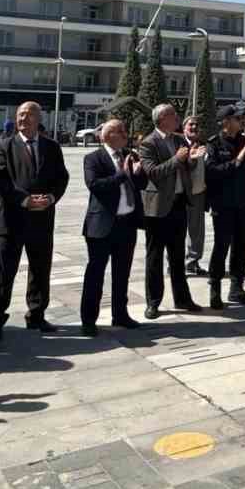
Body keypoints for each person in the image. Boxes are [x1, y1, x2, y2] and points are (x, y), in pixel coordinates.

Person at [0, 101, 70, 339]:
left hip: (42, 219)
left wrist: (52, 197)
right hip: (12, 220)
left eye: (28, 114)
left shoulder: (52, 147)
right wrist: (25, 200)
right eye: (20, 114)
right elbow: (1, 180)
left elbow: (61, 177)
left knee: (40, 269)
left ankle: (36, 315)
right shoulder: (4, 146)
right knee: (4, 272)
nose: (23, 118)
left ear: (38, 118)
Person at [79, 118, 144, 335]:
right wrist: (122, 175)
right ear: (108, 136)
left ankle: (120, 314)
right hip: (102, 225)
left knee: (122, 272)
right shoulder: (93, 158)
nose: (126, 134)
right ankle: (88, 320)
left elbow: (140, 184)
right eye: (121, 131)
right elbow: (95, 185)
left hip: (126, 224)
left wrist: (137, 173)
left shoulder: (129, 155)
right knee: (96, 274)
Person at [135, 104, 198, 319]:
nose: (177, 118)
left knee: (177, 256)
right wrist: (177, 159)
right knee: (155, 257)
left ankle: (182, 299)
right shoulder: (148, 142)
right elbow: (153, 172)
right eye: (172, 115)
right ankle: (153, 302)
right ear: (162, 118)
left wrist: (191, 160)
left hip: (179, 203)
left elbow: (185, 166)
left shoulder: (179, 139)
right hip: (158, 208)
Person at [202, 107, 245, 309]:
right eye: (236, 118)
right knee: (221, 247)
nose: (240, 121)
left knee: (241, 247)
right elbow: (213, 172)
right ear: (225, 121)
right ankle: (215, 289)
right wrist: (239, 159)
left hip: (243, 203)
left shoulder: (244, 141)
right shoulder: (214, 144)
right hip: (223, 205)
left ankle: (237, 288)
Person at [184, 115, 209, 279]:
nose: (194, 127)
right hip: (181, 195)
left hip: (199, 194)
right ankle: (176, 263)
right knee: (178, 232)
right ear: (184, 127)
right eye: (191, 125)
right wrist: (190, 158)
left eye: (197, 125)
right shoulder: (177, 144)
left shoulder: (203, 146)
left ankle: (192, 262)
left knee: (197, 232)